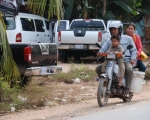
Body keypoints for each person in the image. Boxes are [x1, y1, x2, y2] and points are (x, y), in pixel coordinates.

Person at [96, 21, 137, 91]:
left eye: (115, 29)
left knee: (129, 70)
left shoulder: (128, 39)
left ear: (120, 30)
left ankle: (127, 87)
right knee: (98, 68)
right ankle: (106, 84)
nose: (113, 31)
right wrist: (100, 53)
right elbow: (103, 48)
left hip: (124, 60)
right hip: (111, 60)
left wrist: (132, 59)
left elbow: (134, 50)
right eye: (112, 29)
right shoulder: (109, 40)